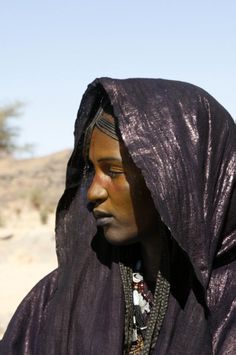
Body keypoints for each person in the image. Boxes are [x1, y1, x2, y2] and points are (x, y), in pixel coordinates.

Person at [0, 78, 235, 354]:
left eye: (113, 171)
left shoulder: (226, 306)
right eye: (92, 171)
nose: (93, 192)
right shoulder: (57, 300)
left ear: (173, 178)